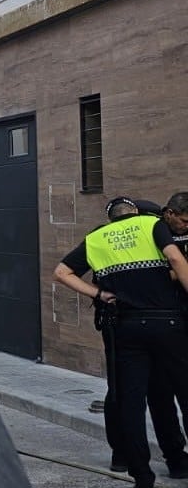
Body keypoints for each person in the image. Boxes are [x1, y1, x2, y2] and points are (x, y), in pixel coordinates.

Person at [54, 195, 188, 488]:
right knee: (177, 393)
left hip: (123, 327)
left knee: (129, 401)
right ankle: (176, 461)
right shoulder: (151, 225)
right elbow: (176, 259)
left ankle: (140, 475)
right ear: (137, 213)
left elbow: (61, 272)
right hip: (166, 322)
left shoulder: (97, 237)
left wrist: (98, 295)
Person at [90, 197, 188, 476]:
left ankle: (128, 456)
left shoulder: (105, 237)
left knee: (127, 393)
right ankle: (166, 458)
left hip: (126, 325)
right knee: (155, 394)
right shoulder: (153, 228)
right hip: (149, 322)